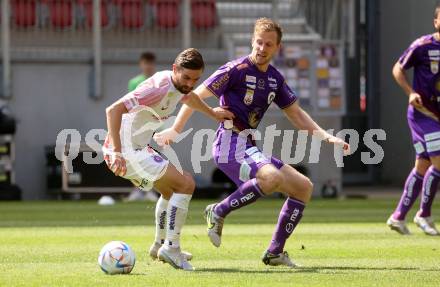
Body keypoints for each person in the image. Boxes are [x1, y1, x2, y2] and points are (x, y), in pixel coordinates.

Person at [154, 18, 350, 267]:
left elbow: (297, 115)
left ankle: (275, 252)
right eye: (259, 42)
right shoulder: (234, 70)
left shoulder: (275, 79)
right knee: (272, 178)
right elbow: (192, 97)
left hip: (248, 145)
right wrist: (175, 129)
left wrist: (327, 136)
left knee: (303, 187)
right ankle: (218, 211)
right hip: (228, 143)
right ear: (252, 41)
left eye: (268, 44)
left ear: (277, 48)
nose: (262, 47)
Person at [103, 48, 234, 270]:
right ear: (175, 69)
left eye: (195, 79)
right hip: (126, 152)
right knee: (186, 183)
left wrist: (213, 114)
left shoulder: (178, 85)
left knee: (170, 191)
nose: (190, 83)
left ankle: (159, 245)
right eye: (186, 77)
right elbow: (113, 110)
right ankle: (171, 248)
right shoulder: (159, 88)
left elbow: (189, 97)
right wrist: (116, 151)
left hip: (138, 148)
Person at [387, 3, 440, 236]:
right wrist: (411, 92)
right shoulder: (423, 45)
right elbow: (398, 69)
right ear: (436, 21)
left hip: (437, 116)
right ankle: (424, 215)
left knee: (423, 165)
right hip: (423, 115)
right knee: (439, 163)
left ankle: (398, 217)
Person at [126, 52, 159, 202]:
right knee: (135, 160)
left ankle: (149, 190)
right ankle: (137, 190)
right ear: (141, 64)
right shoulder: (134, 82)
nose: (148, 66)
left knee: (151, 160)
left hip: (154, 126)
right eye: (146, 63)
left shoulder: (158, 82)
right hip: (137, 127)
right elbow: (131, 104)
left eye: (150, 63)